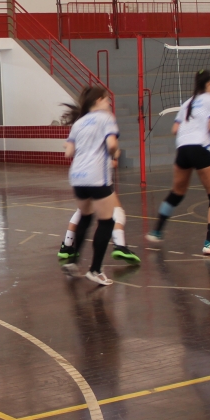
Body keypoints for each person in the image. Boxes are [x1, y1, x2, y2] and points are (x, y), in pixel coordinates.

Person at [146, 70, 210, 255]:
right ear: (208, 84)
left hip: (182, 149)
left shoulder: (187, 103)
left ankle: (157, 230)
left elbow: (175, 128)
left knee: (177, 193)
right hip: (200, 148)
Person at [60, 85, 138, 285]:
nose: (109, 103)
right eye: (106, 99)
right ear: (98, 101)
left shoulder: (78, 123)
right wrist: (115, 153)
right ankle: (95, 270)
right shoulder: (106, 119)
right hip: (96, 176)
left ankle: (73, 260)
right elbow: (112, 145)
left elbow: (68, 152)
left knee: (85, 218)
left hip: (77, 176)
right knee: (107, 221)